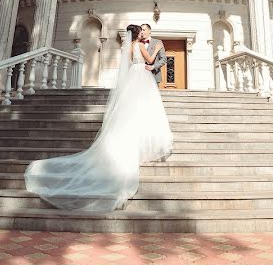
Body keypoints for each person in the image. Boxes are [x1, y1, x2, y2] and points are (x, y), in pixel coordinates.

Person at [23, 24, 174, 212]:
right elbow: (150, 60)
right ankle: (141, 146)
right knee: (143, 108)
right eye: (141, 31)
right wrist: (157, 50)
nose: (143, 33)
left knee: (131, 110)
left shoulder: (128, 49)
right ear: (138, 34)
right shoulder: (140, 46)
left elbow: (128, 65)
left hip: (133, 78)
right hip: (142, 75)